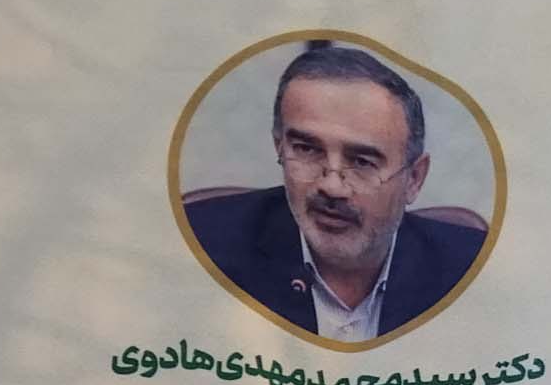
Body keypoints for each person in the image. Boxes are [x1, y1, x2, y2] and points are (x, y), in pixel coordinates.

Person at [185, 43, 484, 342]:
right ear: (280, 148)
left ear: (414, 179)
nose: (331, 186)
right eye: (306, 149)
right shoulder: (198, 246)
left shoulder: (474, 270)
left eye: (362, 162)